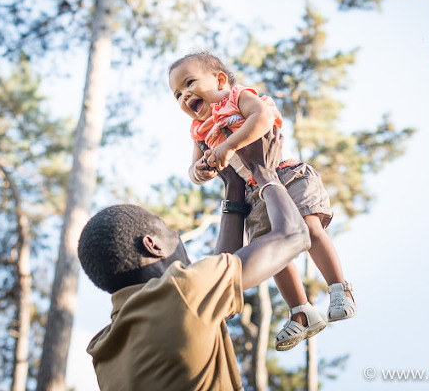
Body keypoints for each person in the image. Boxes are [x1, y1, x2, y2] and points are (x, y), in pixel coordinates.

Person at [79, 131, 310, 390]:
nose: (177, 235)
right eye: (167, 229)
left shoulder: (105, 352)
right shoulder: (180, 293)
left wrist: (234, 188)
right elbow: (294, 235)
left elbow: (217, 279)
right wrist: (264, 171)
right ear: (153, 246)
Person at [168, 51, 356, 351]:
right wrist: (200, 171)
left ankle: (339, 288)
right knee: (270, 251)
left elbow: (264, 118)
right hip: (256, 194)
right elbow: (193, 168)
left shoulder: (236, 97)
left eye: (189, 83)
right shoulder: (199, 131)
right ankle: (302, 312)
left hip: (285, 174)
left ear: (219, 80)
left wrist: (229, 145)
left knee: (308, 228)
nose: (184, 96)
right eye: (177, 94)